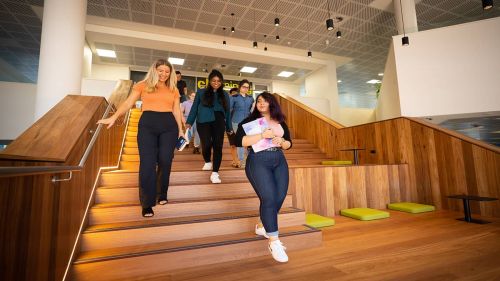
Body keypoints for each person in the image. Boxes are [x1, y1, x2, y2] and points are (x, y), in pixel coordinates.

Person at [97, 59, 183, 218]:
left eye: (167, 71)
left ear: (170, 73)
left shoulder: (173, 89)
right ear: (154, 70)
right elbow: (128, 102)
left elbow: (177, 110)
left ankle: (161, 193)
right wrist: (114, 117)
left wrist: (180, 130)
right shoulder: (143, 85)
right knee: (147, 163)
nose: (164, 74)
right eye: (161, 70)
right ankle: (147, 203)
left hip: (168, 126)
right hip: (147, 125)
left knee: (165, 160)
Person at [234, 92, 293, 263]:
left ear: (272, 103)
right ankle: (274, 241)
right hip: (258, 161)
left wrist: (282, 142)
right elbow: (239, 142)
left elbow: (289, 143)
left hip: (279, 160)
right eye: (259, 101)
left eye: (265, 101)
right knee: (268, 198)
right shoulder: (248, 121)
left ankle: (261, 225)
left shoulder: (280, 121)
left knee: (279, 197)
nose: (261, 103)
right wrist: (261, 135)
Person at [186, 69, 232, 184]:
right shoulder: (201, 92)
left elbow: (227, 112)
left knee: (218, 145)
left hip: (219, 121)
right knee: (206, 144)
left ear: (221, 82)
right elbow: (194, 108)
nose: (216, 83)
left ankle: (215, 172)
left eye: (218, 81)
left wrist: (229, 127)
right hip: (203, 121)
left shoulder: (225, 94)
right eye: (213, 80)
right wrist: (189, 122)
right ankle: (207, 161)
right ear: (209, 81)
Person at [229, 80, 254, 168]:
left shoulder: (251, 98)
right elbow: (229, 111)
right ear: (240, 87)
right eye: (244, 87)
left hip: (248, 123)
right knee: (240, 141)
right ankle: (241, 161)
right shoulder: (234, 97)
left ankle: (248, 160)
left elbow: (252, 111)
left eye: (247, 87)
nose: (245, 89)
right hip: (236, 122)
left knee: (248, 142)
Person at [181, 90, 201, 154]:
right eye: (193, 96)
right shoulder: (185, 103)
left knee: (198, 133)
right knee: (188, 132)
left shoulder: (199, 103)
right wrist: (183, 119)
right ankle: (185, 143)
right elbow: (181, 111)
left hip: (197, 120)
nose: (194, 97)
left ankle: (196, 147)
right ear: (189, 96)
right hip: (188, 119)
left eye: (195, 96)